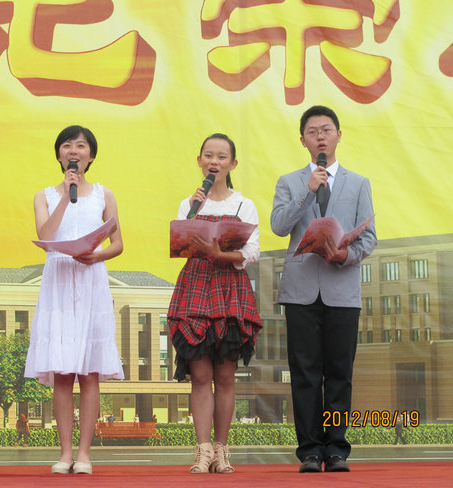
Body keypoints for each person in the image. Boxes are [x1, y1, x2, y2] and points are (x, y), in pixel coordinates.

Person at [271, 105, 377, 473]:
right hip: (301, 291)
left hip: (342, 289)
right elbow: (279, 227)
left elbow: (369, 237)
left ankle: (336, 450)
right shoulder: (290, 182)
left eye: (326, 129)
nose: (320, 136)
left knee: (340, 373)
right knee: (304, 372)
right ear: (303, 140)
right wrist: (307, 191)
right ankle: (310, 451)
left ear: (338, 135)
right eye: (313, 131)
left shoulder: (358, 183)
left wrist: (347, 254)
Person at [24, 125, 124, 475]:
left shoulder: (103, 194)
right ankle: (65, 453)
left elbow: (117, 244)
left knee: (89, 373)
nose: (74, 151)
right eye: (67, 145)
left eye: (81, 146)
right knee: (63, 373)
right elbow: (46, 235)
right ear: (59, 155)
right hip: (59, 282)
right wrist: (66, 196)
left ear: (90, 156)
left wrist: (97, 256)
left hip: (90, 280)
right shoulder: (44, 196)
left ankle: (84, 454)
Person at [167, 133, 262, 474]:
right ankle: (202, 450)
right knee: (200, 374)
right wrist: (194, 214)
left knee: (225, 375)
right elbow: (180, 245)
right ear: (199, 161)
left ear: (232, 164)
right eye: (208, 155)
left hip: (229, 286)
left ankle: (222, 450)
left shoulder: (243, 205)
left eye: (222, 157)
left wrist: (220, 253)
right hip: (196, 285)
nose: (214, 162)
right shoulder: (188, 203)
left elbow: (252, 251)